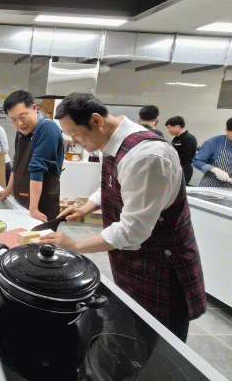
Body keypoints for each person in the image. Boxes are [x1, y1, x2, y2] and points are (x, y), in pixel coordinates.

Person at [41, 93, 206, 342]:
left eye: (76, 135)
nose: (74, 142)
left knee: (161, 345)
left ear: (96, 121)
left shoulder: (147, 156)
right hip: (134, 262)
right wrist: (88, 206)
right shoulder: (112, 141)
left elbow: (132, 230)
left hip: (163, 268)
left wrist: (75, 245)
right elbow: (116, 183)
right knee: (135, 334)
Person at [0, 90, 64, 222]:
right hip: (23, 202)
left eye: (23, 116)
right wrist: (8, 190)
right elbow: (17, 163)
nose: (19, 123)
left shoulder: (47, 128)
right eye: (13, 119)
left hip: (41, 205)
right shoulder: (21, 132)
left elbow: (37, 168)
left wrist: (34, 208)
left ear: (34, 108)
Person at [192, 117, 232, 188]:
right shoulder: (214, 142)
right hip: (211, 186)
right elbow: (197, 161)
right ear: (226, 130)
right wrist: (214, 169)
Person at [165, 116, 198, 184]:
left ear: (177, 126)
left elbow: (185, 158)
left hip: (184, 169)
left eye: (169, 127)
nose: (168, 130)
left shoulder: (189, 139)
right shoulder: (176, 139)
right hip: (175, 168)